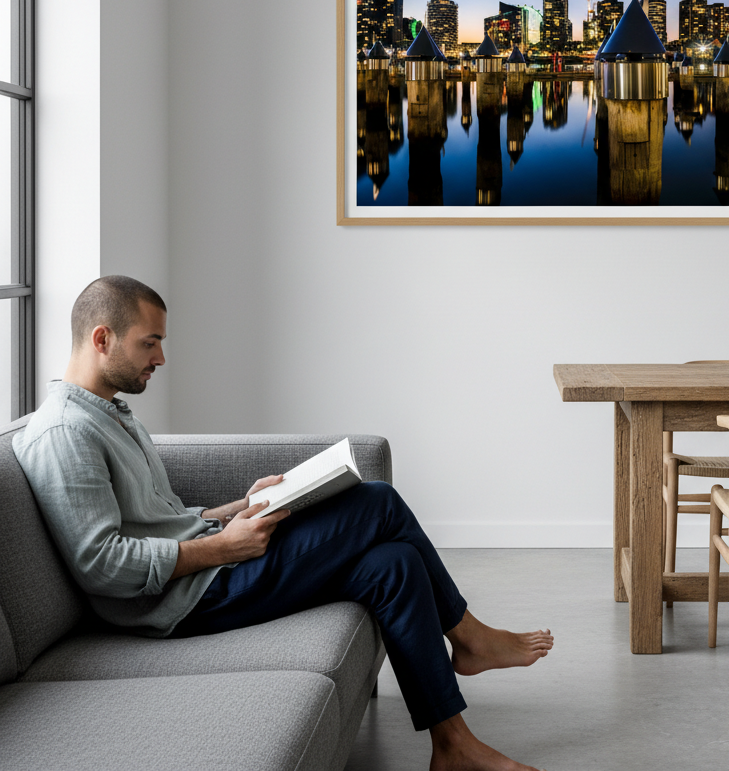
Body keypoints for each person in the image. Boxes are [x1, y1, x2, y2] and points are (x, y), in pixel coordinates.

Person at [14, 275, 553, 771]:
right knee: (379, 503)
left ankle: (452, 745)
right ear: (102, 338)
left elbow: (158, 519)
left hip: (202, 568)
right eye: (148, 343)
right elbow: (102, 565)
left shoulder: (109, 412)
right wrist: (224, 548)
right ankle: (470, 636)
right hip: (180, 602)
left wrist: (234, 511)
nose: (161, 357)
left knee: (395, 563)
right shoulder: (65, 433)